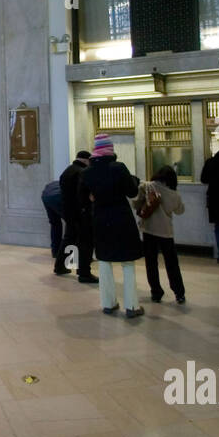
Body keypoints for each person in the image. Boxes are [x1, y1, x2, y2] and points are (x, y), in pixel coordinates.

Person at [79, 134, 143, 319]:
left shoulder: (87, 172)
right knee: (127, 262)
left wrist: (93, 197)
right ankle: (132, 306)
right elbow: (132, 192)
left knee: (104, 261)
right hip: (121, 218)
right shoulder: (118, 167)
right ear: (110, 150)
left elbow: (82, 198)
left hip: (100, 218)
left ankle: (108, 303)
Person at [136, 165, 186, 304]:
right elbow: (180, 210)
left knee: (151, 263)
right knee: (172, 263)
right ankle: (179, 293)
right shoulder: (173, 193)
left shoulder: (147, 187)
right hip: (166, 232)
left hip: (149, 230)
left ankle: (156, 292)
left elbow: (136, 204)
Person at [58, 150, 95, 282]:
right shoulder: (81, 172)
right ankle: (84, 272)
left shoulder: (67, 170)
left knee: (69, 238)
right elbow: (82, 194)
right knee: (85, 241)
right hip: (80, 212)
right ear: (86, 160)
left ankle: (60, 266)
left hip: (67, 211)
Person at [41, 177, 65, 271]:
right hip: (57, 196)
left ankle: (55, 251)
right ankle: (68, 254)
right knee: (73, 225)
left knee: (55, 224)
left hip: (46, 195)